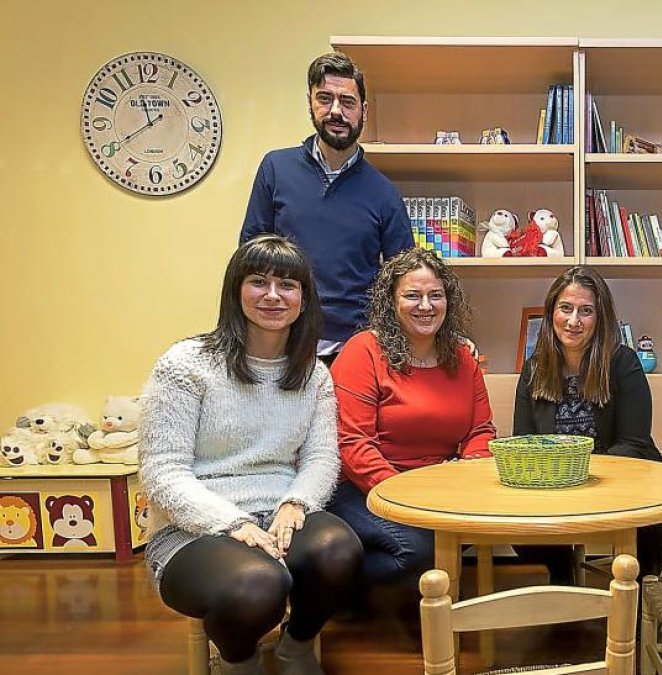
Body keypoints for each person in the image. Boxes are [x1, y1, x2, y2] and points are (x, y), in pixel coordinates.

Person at [139, 235, 362, 675]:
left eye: (288, 285)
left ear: (304, 298)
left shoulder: (314, 373)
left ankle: (295, 646)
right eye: (259, 282)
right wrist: (231, 523)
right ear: (235, 290)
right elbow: (162, 472)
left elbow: (321, 458)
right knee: (260, 582)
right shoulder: (185, 364)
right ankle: (237, 661)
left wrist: (295, 503)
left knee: (340, 550)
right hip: (194, 529)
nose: (274, 295)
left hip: (278, 512)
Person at [328, 248, 496, 599]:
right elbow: (354, 445)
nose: (426, 305)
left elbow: (481, 431)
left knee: (458, 534)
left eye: (436, 295)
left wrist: (468, 475)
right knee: (417, 552)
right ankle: (332, 586)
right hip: (363, 487)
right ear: (392, 301)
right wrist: (408, 496)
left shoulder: (463, 358)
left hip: (438, 489)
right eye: (412, 295)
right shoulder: (363, 351)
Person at [240, 52, 413, 367]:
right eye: (325, 99)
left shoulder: (384, 193)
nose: (336, 111)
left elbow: (407, 277)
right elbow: (250, 259)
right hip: (282, 345)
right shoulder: (276, 169)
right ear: (310, 104)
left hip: (355, 353)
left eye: (347, 102)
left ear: (364, 111)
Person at [513, 266, 662, 583]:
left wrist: (583, 477)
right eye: (565, 308)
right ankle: (562, 577)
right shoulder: (533, 368)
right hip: (555, 485)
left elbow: (634, 442)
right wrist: (561, 481)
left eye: (586, 311)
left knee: (647, 527)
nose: (574, 321)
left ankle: (637, 602)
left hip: (620, 484)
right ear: (551, 313)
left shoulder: (623, 362)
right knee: (521, 532)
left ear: (600, 318)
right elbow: (524, 441)